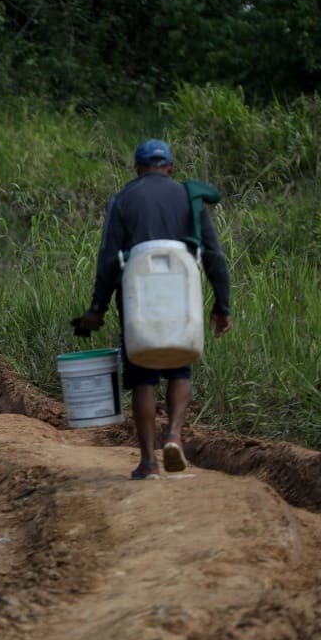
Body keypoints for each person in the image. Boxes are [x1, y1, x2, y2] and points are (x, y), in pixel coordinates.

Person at [77, 139, 232, 480]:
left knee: (143, 377)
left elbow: (107, 259)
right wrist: (223, 306)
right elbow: (214, 256)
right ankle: (174, 435)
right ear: (171, 168)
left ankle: (148, 462)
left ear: (137, 168)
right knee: (180, 367)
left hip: (138, 294)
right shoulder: (189, 198)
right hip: (181, 291)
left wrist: (96, 309)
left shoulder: (123, 198)